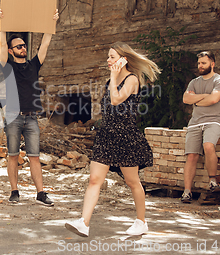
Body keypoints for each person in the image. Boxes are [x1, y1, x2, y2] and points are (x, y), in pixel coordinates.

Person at [65, 42, 160, 237]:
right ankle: (84, 222)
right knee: (94, 180)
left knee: (132, 181)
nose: (108, 61)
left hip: (125, 136)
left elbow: (116, 100)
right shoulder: (112, 81)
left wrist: (114, 76)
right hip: (107, 135)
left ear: (124, 59)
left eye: (112, 57)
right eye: (108, 57)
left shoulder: (132, 79)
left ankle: (141, 222)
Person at [0, 7, 59, 206]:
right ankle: (14, 191)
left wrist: (52, 21)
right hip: (13, 116)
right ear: (11, 51)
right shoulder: (7, 66)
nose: (23, 48)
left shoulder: (34, 64)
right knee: (13, 156)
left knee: (34, 157)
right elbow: (0, 42)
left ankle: (41, 193)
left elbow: (46, 42)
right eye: (18, 46)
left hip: (32, 117)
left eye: (24, 45)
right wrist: (1, 23)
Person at [180, 51, 220, 203]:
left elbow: (214, 99)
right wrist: (204, 97)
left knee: (208, 146)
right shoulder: (194, 82)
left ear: (212, 64)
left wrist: (197, 99)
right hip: (195, 122)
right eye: (199, 63)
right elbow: (186, 98)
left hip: (214, 121)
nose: (200, 66)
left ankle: (213, 181)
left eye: (203, 63)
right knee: (191, 155)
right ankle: (187, 192)